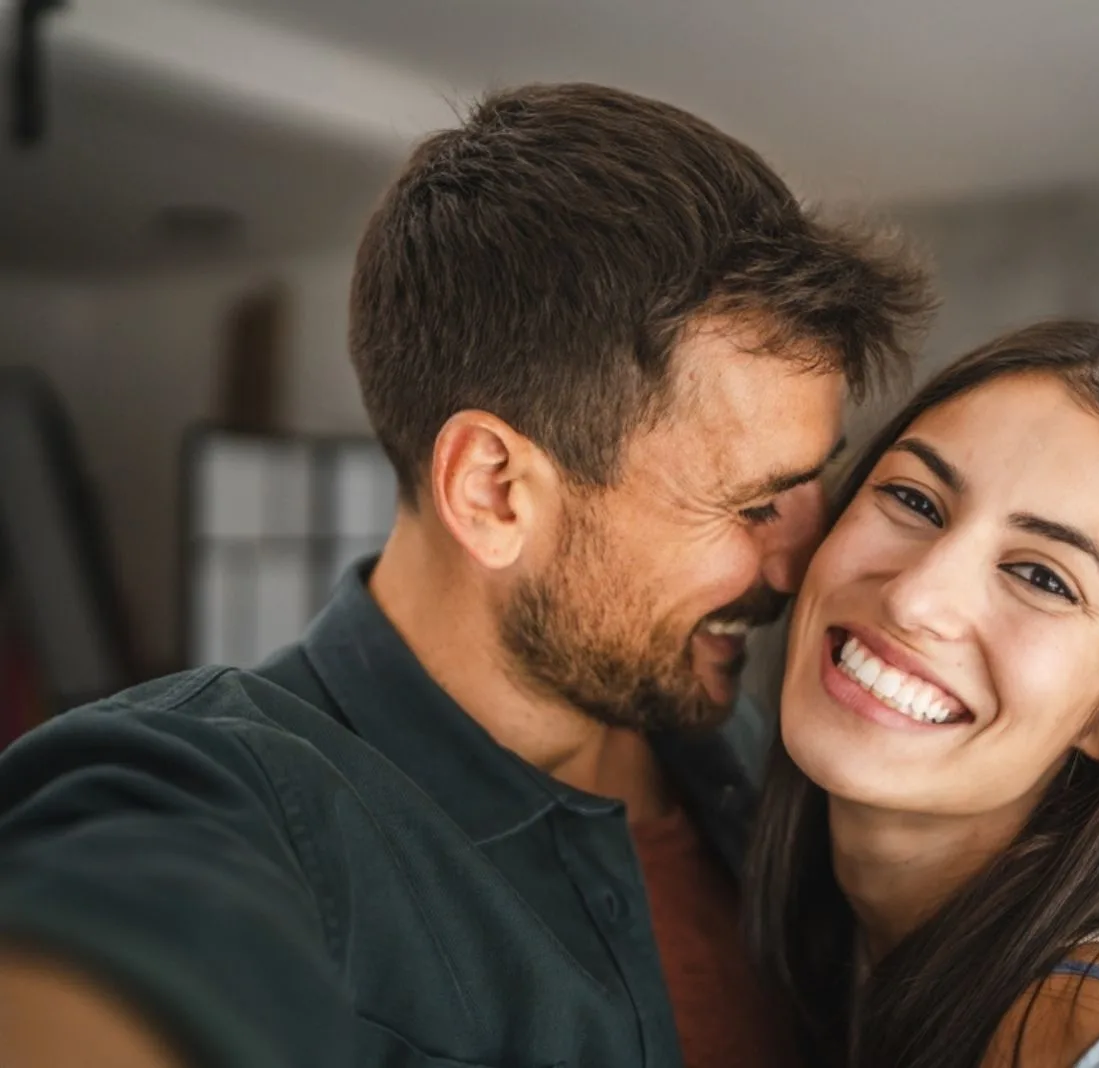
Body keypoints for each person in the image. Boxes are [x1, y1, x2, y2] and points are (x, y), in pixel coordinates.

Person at [0, 83, 931, 1067]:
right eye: (751, 505)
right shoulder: (220, 798)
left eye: (810, 486)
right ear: (493, 490)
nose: (805, 559)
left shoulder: (750, 743)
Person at [745, 320, 1099, 1067]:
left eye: (1040, 577)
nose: (915, 598)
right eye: (914, 500)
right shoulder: (790, 904)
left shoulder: (1092, 1036)